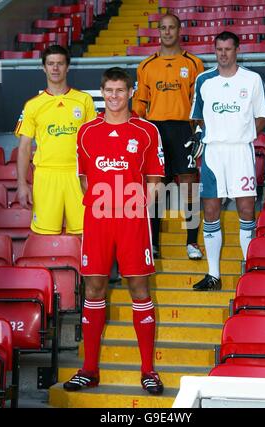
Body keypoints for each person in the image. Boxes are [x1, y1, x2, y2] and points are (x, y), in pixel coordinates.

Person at [63, 67, 165, 395]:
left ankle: (148, 370)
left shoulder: (147, 131)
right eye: (109, 91)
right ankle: (89, 369)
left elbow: (155, 179)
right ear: (102, 92)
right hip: (98, 219)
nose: (114, 97)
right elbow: (84, 178)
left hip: (133, 219)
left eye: (120, 91)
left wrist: (139, 210)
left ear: (131, 92)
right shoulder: (86, 132)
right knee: (93, 288)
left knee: (139, 288)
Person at [189, 31, 265, 291]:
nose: (223, 53)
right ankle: (214, 275)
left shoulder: (252, 79)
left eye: (228, 49)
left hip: (240, 152)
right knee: (211, 211)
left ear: (237, 50)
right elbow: (197, 116)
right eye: (219, 49)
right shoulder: (204, 80)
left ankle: (250, 271)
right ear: (215, 50)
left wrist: (244, 135)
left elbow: (262, 116)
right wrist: (203, 134)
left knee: (246, 209)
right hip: (213, 154)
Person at [132, 13, 204, 260]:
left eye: (171, 27)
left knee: (189, 188)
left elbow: (199, 103)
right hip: (156, 132)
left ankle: (192, 243)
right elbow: (139, 104)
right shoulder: (146, 65)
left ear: (179, 29)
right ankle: (152, 244)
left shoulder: (194, 63)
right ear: (159, 32)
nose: (167, 32)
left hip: (184, 130)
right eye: (163, 28)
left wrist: (198, 131)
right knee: (155, 190)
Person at [15, 44, 96, 234]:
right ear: (44, 68)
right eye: (51, 64)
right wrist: (21, 184)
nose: (55, 68)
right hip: (46, 175)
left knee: (84, 233)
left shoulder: (84, 101)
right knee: (43, 234)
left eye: (60, 63)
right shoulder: (33, 105)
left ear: (67, 67)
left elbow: (94, 143)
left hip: (79, 175)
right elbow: (24, 147)